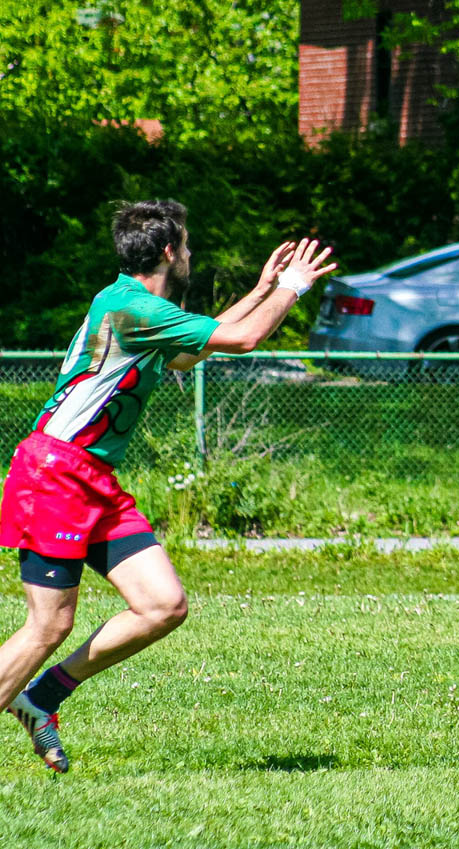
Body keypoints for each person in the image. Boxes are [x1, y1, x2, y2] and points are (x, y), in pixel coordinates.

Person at [0, 200, 337, 773]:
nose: (189, 253)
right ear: (167, 251)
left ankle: (42, 698)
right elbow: (245, 340)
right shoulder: (131, 307)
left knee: (163, 605)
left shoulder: (142, 309)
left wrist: (261, 289)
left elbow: (188, 354)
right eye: (186, 244)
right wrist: (295, 287)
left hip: (92, 477)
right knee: (49, 624)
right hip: (55, 472)